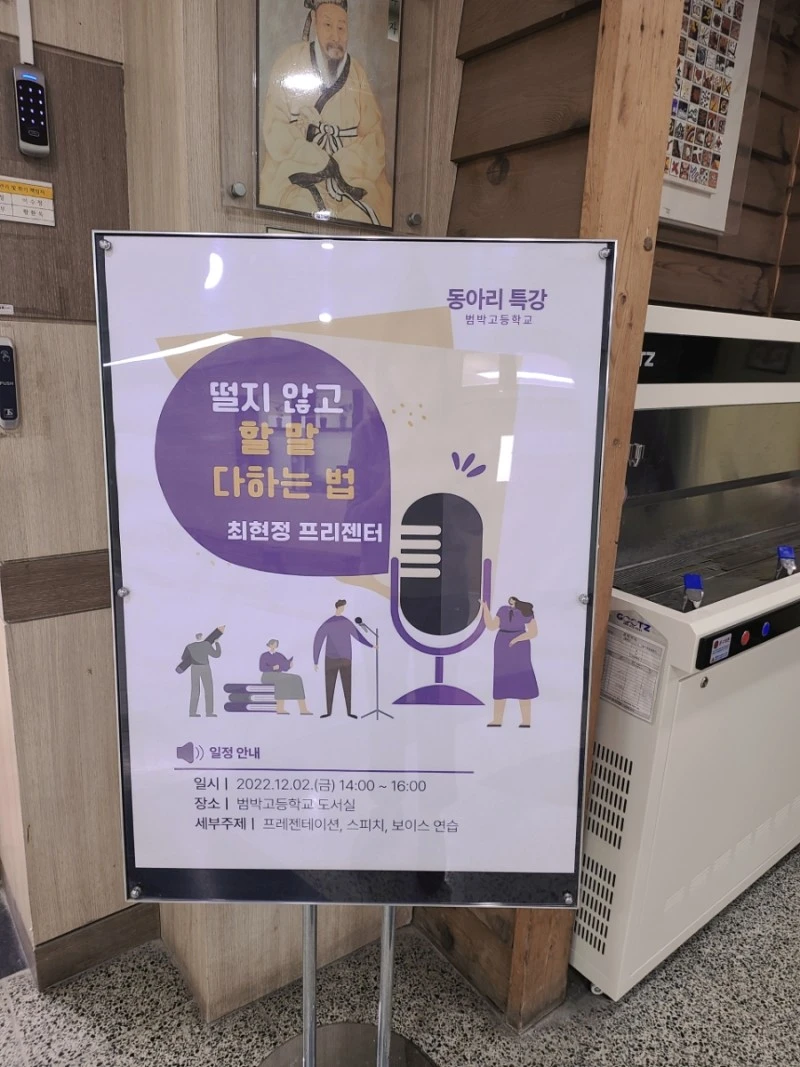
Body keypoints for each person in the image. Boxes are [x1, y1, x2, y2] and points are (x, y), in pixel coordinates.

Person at [259, 0, 393, 226]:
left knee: (360, 219)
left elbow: (374, 138)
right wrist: (314, 157)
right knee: (299, 211)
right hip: (299, 172)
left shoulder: (357, 74)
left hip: (350, 177)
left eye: (342, 27)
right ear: (314, 23)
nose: (335, 36)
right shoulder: (289, 62)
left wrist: (341, 163)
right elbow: (275, 128)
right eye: (328, 25)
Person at [482, 597, 539, 727]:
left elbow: (533, 632)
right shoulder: (503, 610)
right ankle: (497, 720)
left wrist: (517, 639)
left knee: (522, 680)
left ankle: (526, 720)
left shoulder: (526, 611)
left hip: (521, 646)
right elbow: (491, 626)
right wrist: (485, 609)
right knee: (501, 680)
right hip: (502, 644)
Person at [313, 599, 373, 718]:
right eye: (343, 607)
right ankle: (328, 712)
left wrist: (371, 645)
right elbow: (318, 640)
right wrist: (316, 660)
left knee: (347, 685)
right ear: (339, 607)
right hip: (331, 658)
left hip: (345, 659)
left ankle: (349, 712)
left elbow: (357, 635)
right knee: (329, 686)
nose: (344, 609)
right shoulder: (329, 623)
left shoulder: (346, 622)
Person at [259, 639, 312, 716]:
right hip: (267, 676)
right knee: (281, 680)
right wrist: (272, 668)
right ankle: (280, 708)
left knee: (297, 678)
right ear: (270, 645)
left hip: (278, 675)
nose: (274, 646)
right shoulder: (264, 655)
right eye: (273, 644)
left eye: (276, 645)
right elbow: (262, 668)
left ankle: (303, 708)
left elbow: (284, 667)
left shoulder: (279, 655)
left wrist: (289, 665)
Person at [183, 630, 223, 718]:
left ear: (196, 637)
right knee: (208, 689)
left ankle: (192, 712)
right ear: (201, 637)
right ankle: (209, 712)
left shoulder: (190, 646)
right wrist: (217, 643)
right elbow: (216, 654)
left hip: (194, 668)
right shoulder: (206, 645)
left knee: (195, 690)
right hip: (205, 668)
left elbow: (183, 658)